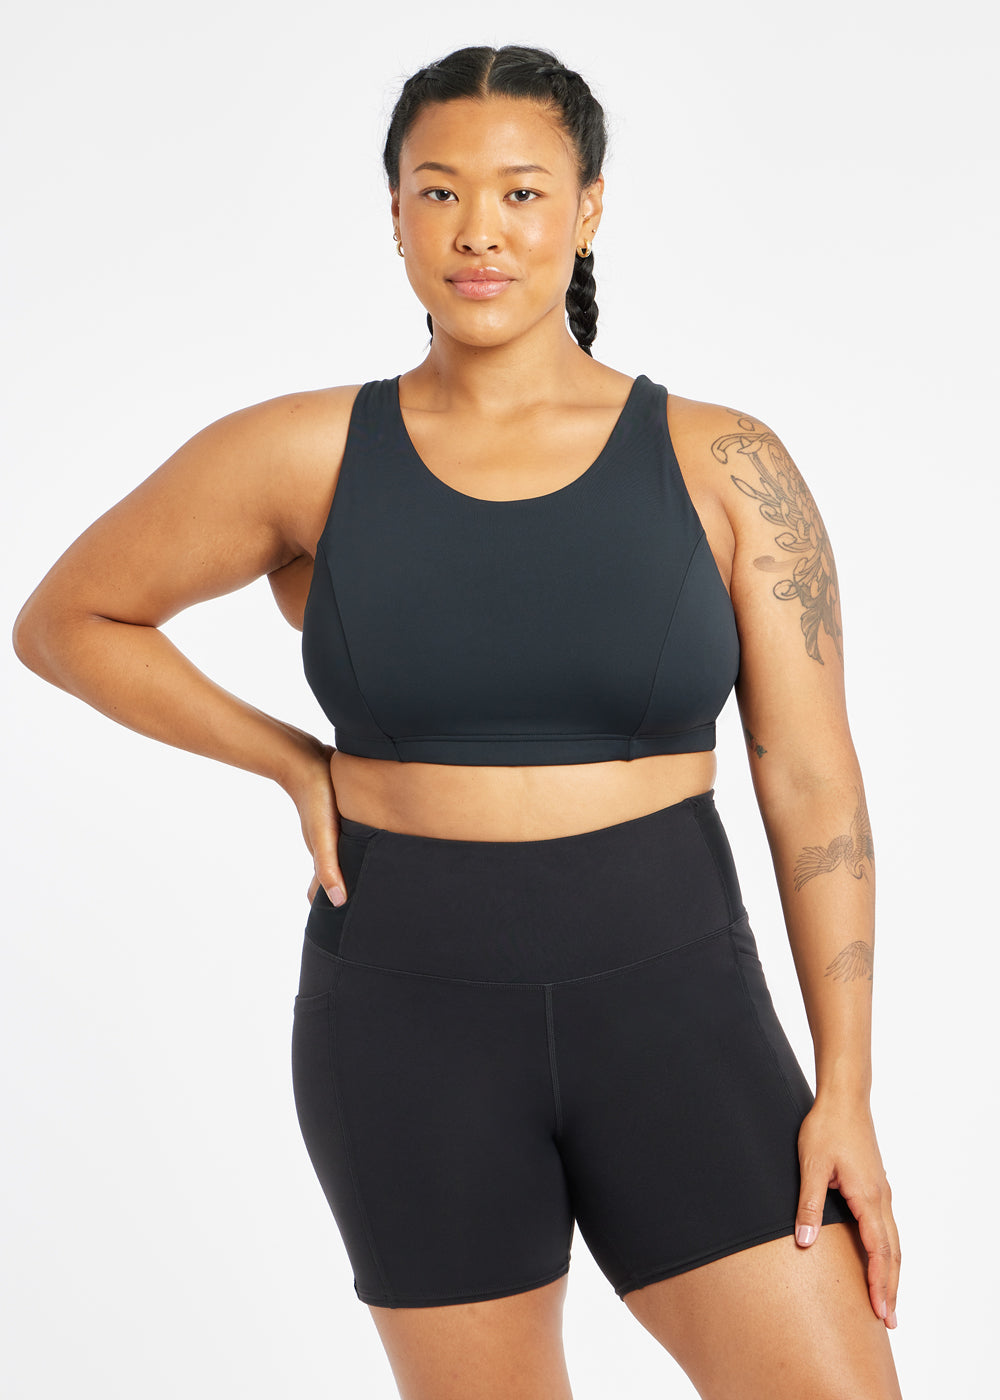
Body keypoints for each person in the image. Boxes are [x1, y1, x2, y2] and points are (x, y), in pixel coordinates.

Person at [11, 41, 902, 1400]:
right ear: (395, 213)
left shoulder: (727, 464)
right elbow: (68, 619)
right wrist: (291, 763)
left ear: (587, 209)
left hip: (679, 1016)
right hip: (406, 1026)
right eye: (439, 192)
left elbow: (815, 784)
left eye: (522, 192)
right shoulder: (306, 455)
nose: (479, 229)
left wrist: (847, 1090)